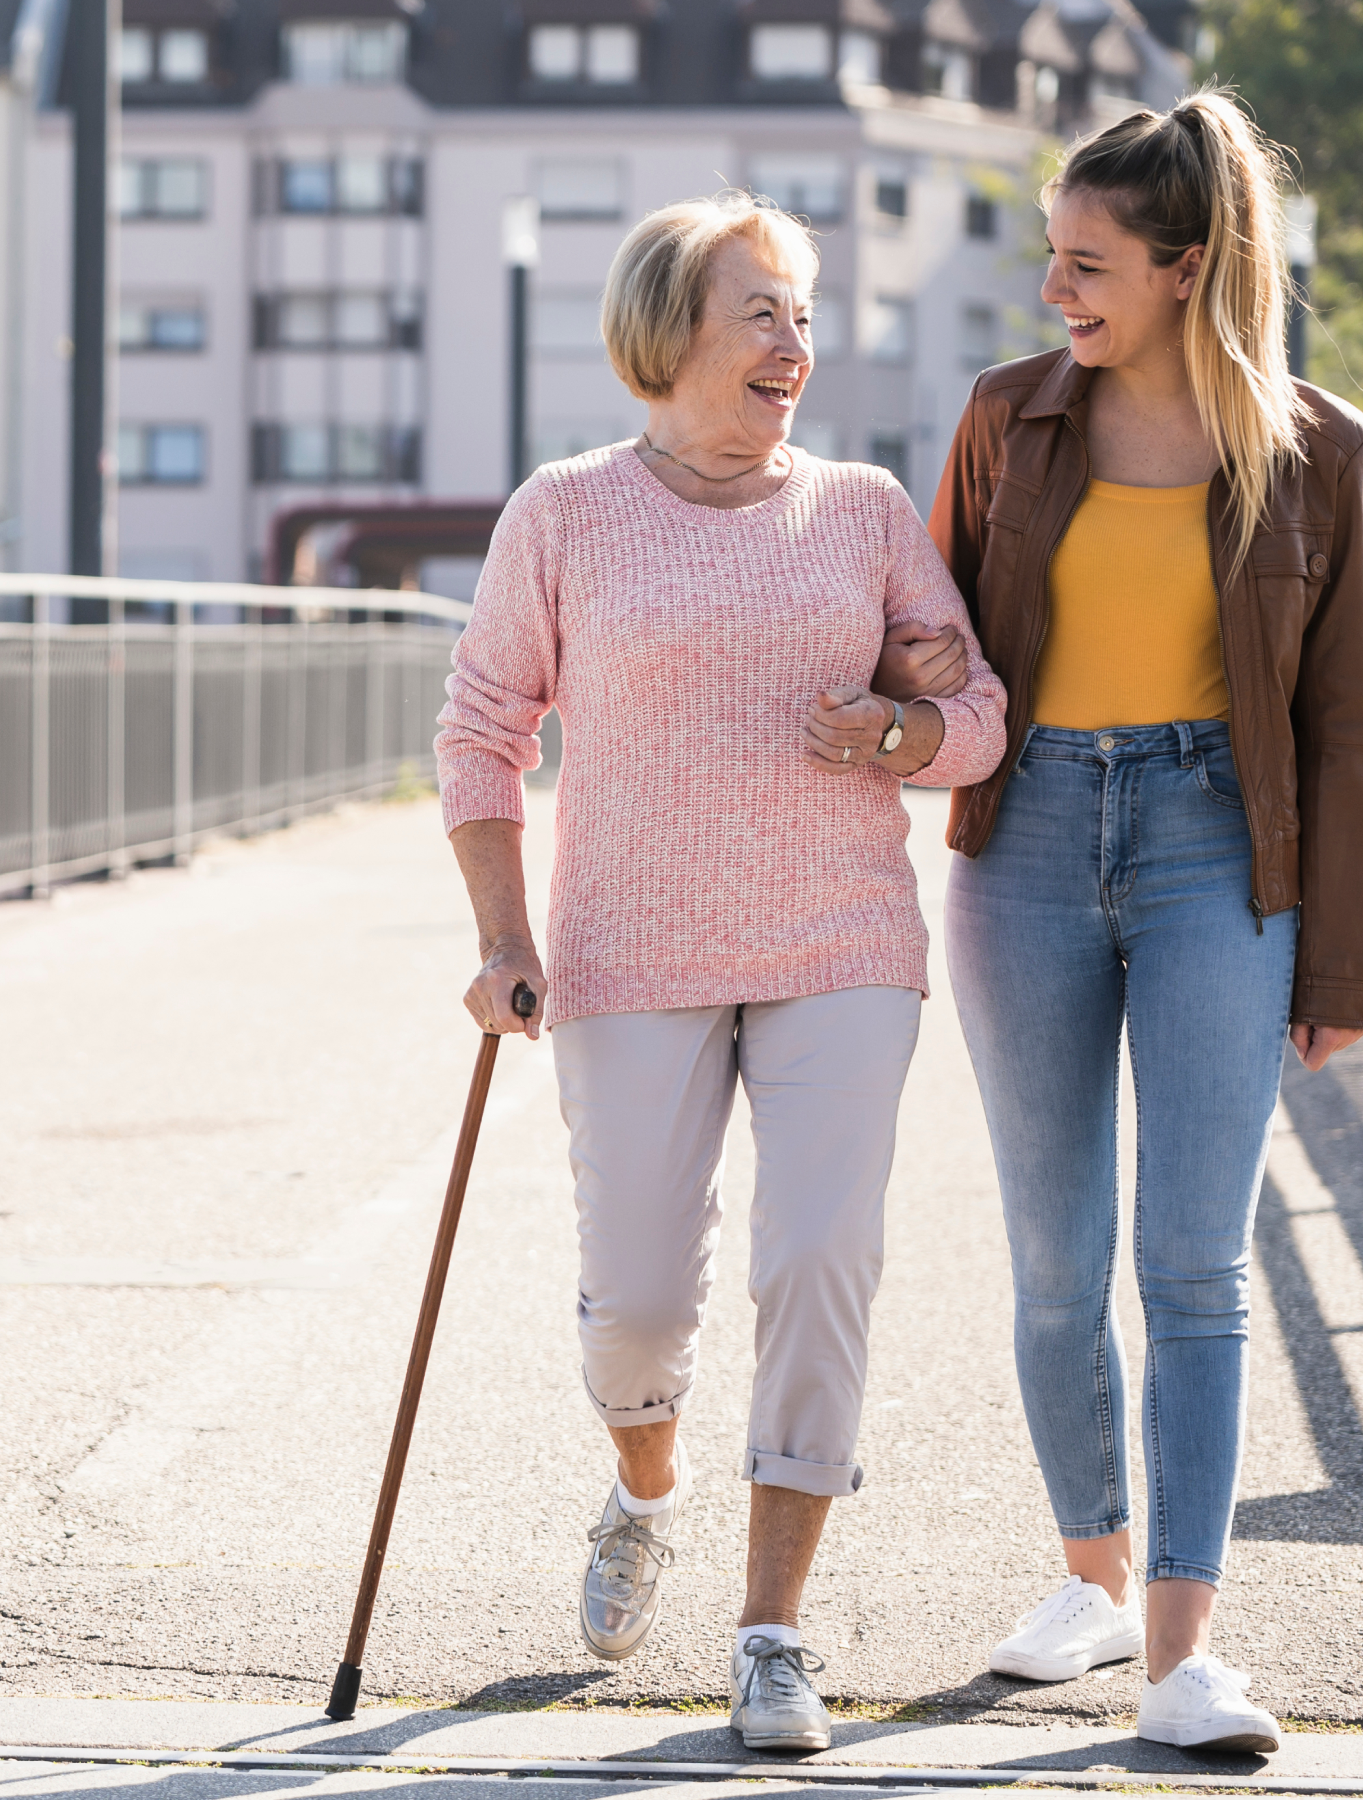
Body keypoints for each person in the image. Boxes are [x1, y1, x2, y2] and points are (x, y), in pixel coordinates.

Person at [436, 193, 1006, 1752]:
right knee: (633, 1306)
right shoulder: (563, 514)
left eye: (804, 313)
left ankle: (773, 1631)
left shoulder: (867, 511)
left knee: (819, 1260)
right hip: (627, 950)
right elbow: (482, 731)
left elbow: (979, 715)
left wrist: (900, 736)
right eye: (762, 310)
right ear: (669, 331)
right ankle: (644, 1487)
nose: (794, 343)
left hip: (838, 939)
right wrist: (503, 937)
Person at [880, 92, 1363, 1755]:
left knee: (1193, 1262)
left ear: (1187, 267)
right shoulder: (1004, 420)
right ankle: (1089, 1583)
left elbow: (1346, 726)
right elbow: (923, 638)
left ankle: (1182, 1652)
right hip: (1023, 841)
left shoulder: (1320, 452)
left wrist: (1339, 964)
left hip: (1213, 854)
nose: (1055, 293)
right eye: (1050, 257)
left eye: (1087, 265)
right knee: (1052, 1257)